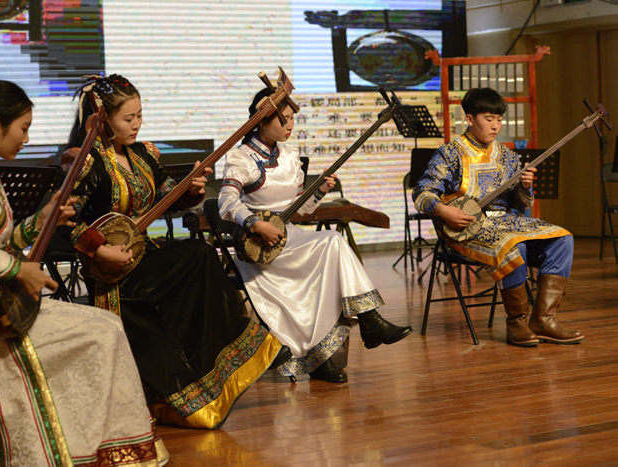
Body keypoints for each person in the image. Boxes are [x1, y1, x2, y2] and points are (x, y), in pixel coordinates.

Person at [0, 80, 165, 466]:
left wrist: (43, 218)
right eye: (22, 128)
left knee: (105, 329)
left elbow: (2, 239)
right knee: (104, 331)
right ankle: (90, 451)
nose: (26, 138)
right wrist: (16, 270)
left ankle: (87, 447)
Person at [61, 74, 287, 429]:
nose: (137, 124)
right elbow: (63, 223)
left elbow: (169, 196)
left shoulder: (142, 155)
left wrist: (194, 190)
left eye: (140, 115)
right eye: (128, 118)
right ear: (103, 119)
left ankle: (216, 367)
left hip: (143, 258)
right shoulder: (85, 161)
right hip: (112, 273)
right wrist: (99, 250)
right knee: (194, 258)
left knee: (198, 254)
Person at [217, 88, 413, 384]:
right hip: (258, 247)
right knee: (332, 246)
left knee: (332, 249)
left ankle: (334, 349)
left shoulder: (290, 155)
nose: (289, 126)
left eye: (292, 119)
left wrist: (319, 191)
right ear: (260, 121)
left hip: (288, 236)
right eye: (283, 120)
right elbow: (227, 203)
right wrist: (256, 224)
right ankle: (366, 323)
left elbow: (300, 210)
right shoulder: (241, 158)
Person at [413, 87, 583, 347]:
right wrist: (443, 210)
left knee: (563, 239)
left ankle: (543, 321)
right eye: (488, 119)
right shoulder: (450, 153)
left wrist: (525, 187)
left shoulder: (508, 156)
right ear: (470, 119)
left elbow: (520, 204)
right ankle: (517, 322)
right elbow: (422, 191)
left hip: (506, 222)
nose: (495, 126)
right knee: (514, 244)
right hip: (467, 228)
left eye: (499, 119)